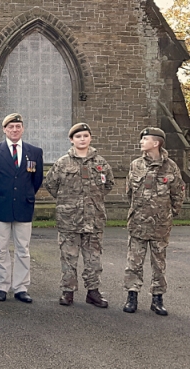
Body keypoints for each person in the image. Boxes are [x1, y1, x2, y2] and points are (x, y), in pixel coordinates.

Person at [44, 123, 114, 308]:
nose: (82, 139)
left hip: (94, 219)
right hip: (69, 220)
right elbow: (50, 184)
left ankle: (93, 292)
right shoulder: (62, 163)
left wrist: (92, 201)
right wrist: (67, 202)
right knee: (68, 257)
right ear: (71, 140)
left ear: (90, 137)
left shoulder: (101, 163)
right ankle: (67, 292)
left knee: (93, 258)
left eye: (85, 135)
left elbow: (108, 185)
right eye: (78, 136)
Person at [0, 113, 44, 304]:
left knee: (23, 249)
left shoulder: (34, 152)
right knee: (0, 249)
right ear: (4, 130)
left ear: (22, 129)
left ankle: (21, 287)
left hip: (23, 206)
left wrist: (27, 195)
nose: (14, 130)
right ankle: (1, 286)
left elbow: (36, 179)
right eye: (11, 127)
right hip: (0, 205)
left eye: (18, 126)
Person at [122, 127, 184, 316]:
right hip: (138, 223)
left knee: (159, 263)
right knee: (134, 262)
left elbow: (178, 192)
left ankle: (157, 299)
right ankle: (132, 296)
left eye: (145, 139)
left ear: (156, 143)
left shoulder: (171, 167)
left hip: (160, 225)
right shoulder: (135, 165)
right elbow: (129, 192)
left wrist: (170, 213)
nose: (141, 142)